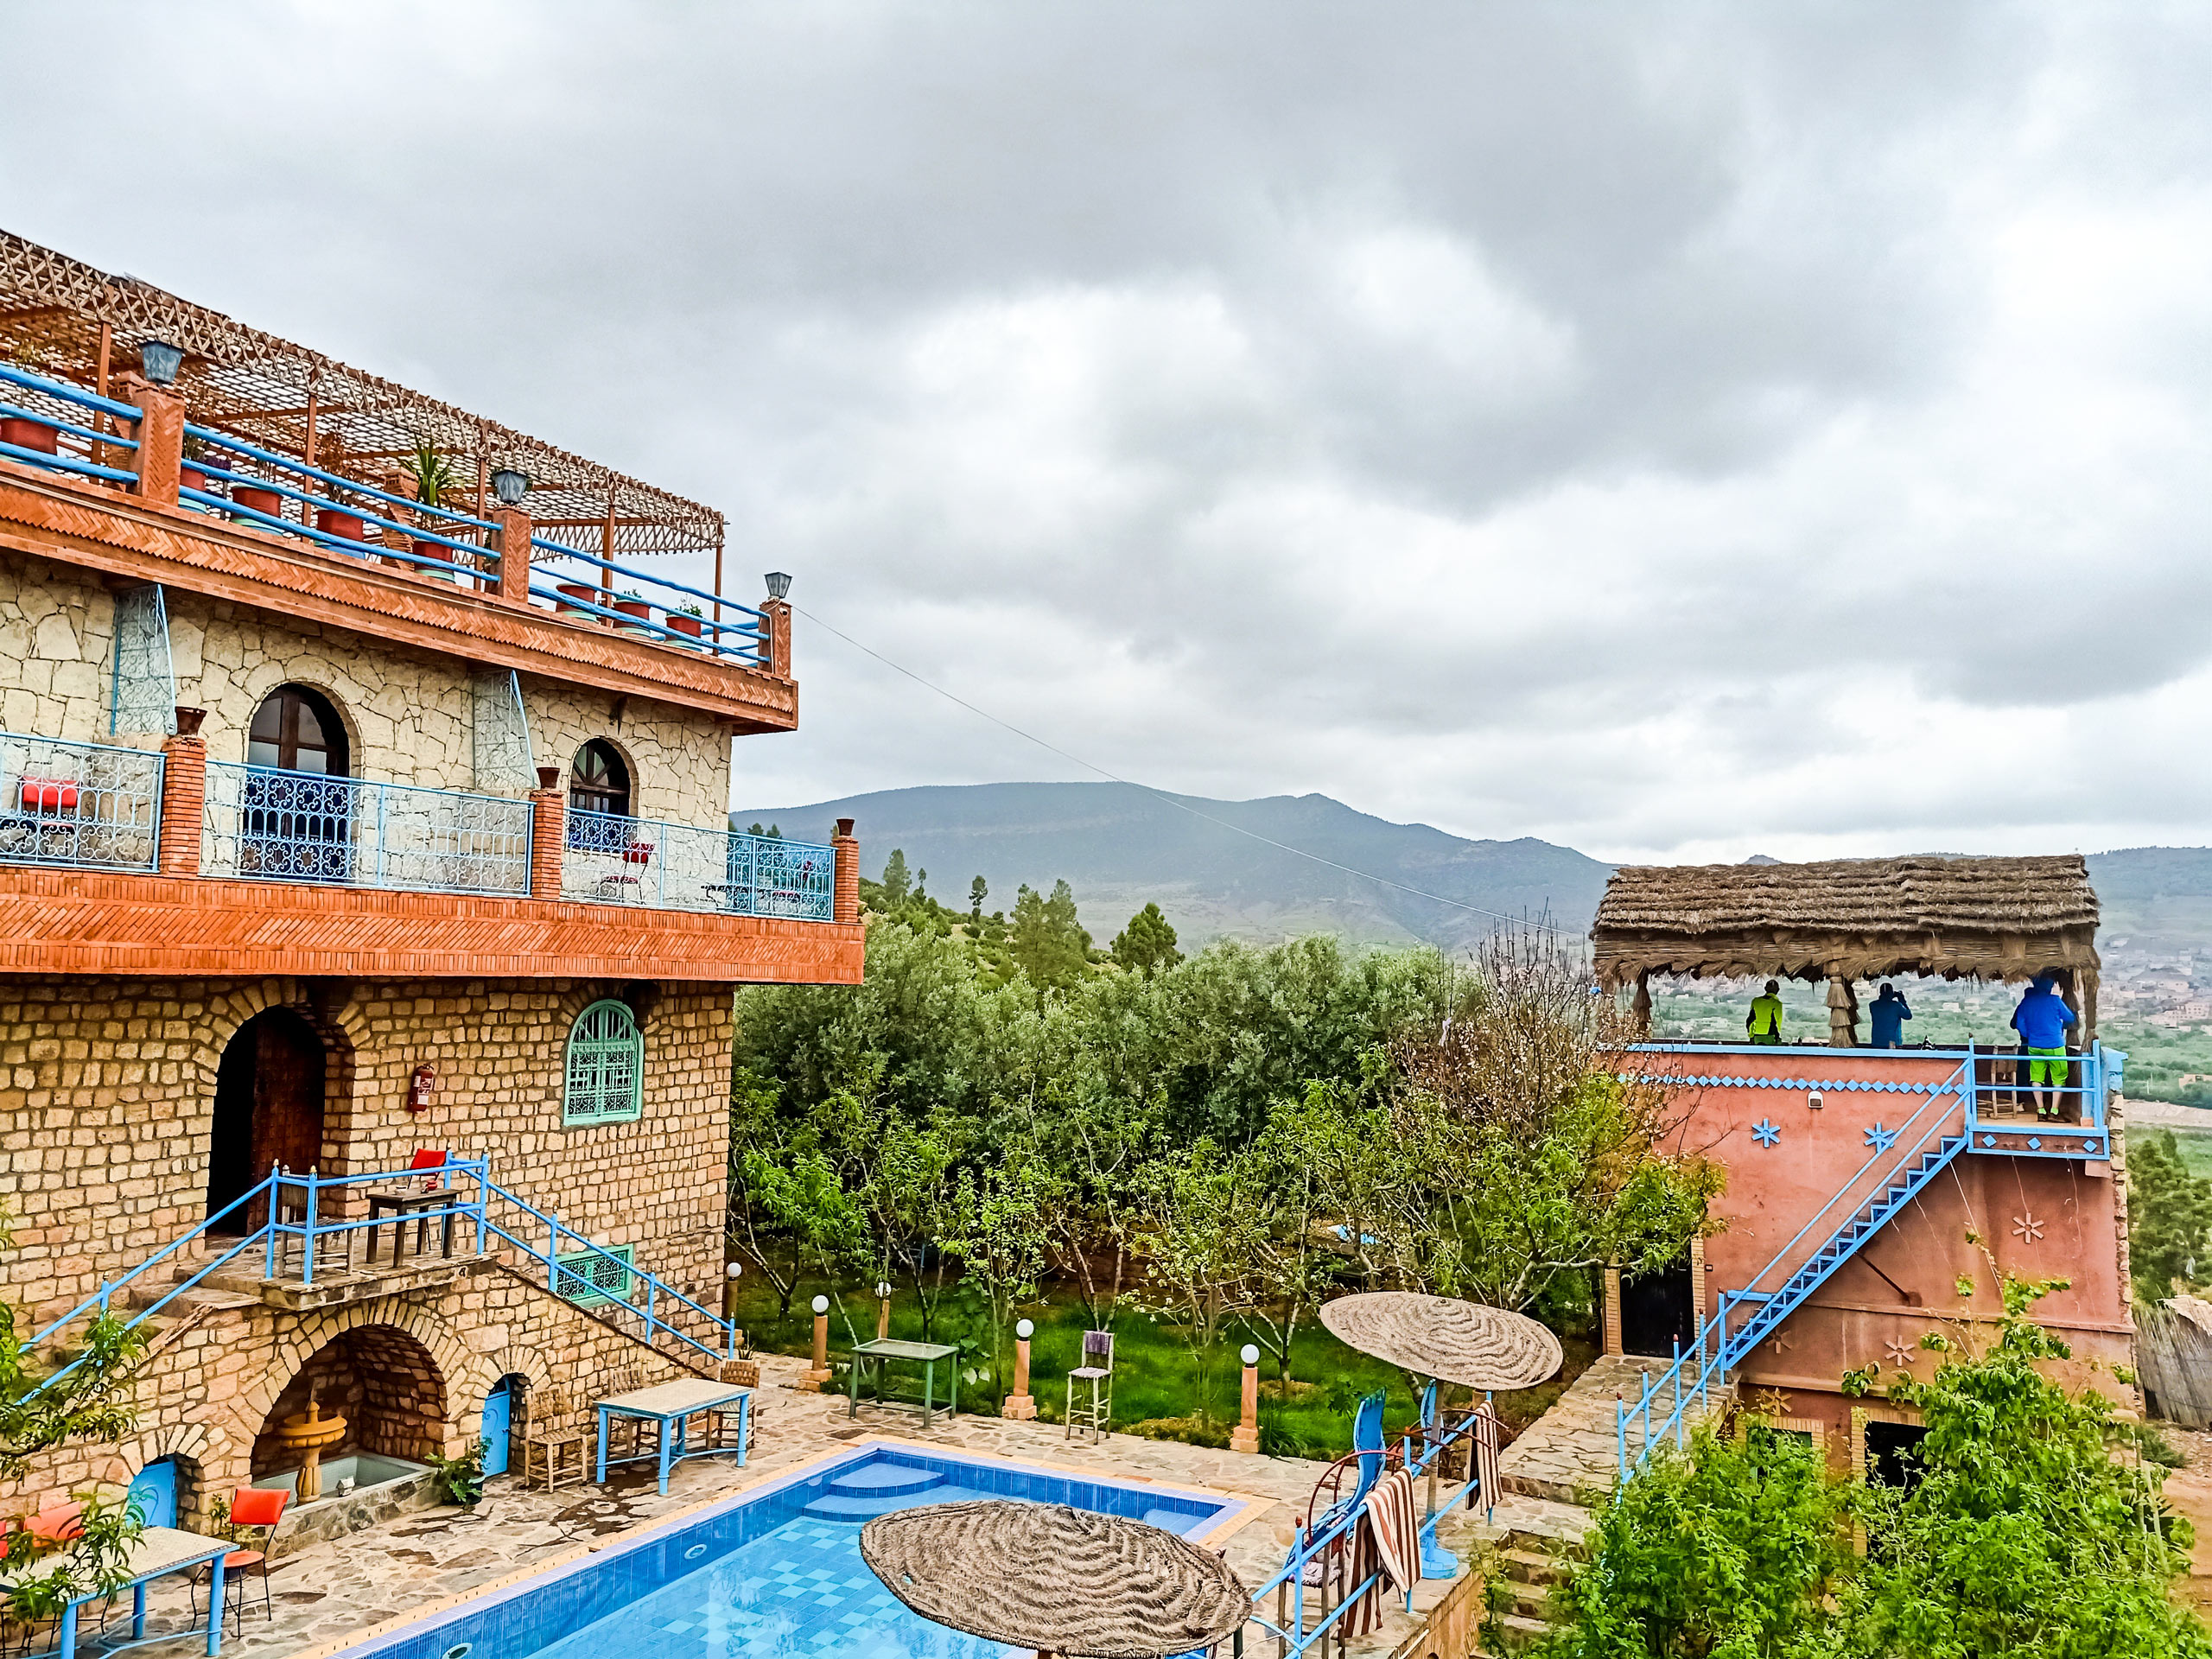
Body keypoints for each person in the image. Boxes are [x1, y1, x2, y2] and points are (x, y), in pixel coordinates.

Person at [2010, 972, 2080, 1120]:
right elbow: (2070, 1018)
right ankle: (2054, 1111)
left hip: (2034, 1045)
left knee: (2036, 1077)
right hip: (2055, 1045)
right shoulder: (2054, 1001)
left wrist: (2031, 1035)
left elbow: (2019, 1025)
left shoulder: (2026, 1002)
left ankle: (2040, 1110)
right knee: (2059, 1077)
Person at [1868, 982, 1911, 1048]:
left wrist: (1888, 996)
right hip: (1892, 1042)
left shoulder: (1873, 1005)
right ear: (1891, 992)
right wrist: (1901, 1000)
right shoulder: (1896, 1006)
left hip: (1876, 1041)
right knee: (1892, 1057)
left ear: (1880, 992)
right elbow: (1908, 1016)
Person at [1747, 980, 1785, 1045]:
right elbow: (1778, 1022)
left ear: (1765, 989)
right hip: (1771, 1035)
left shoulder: (1755, 1001)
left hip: (1757, 1035)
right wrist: (1777, 1036)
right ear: (1778, 990)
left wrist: (1751, 1035)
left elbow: (1750, 1020)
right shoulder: (1777, 1004)